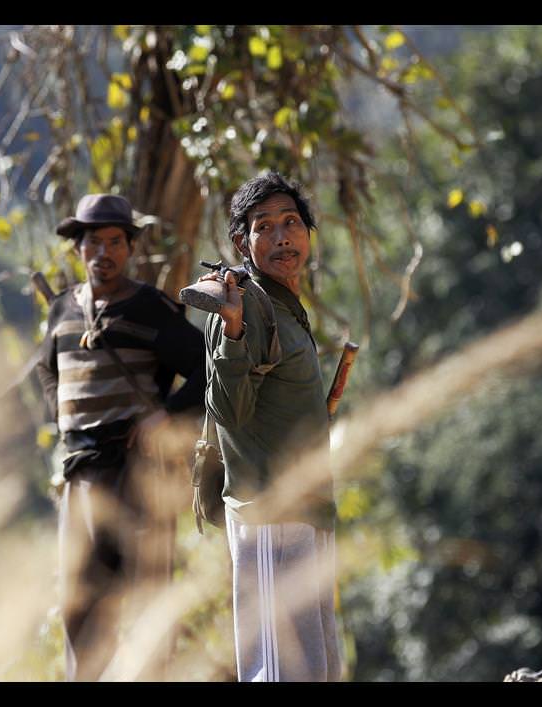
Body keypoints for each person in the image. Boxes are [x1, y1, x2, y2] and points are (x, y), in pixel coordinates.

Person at [35, 193, 205, 681]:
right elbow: (49, 371)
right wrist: (66, 417)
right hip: (79, 474)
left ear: (130, 248)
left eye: (115, 242)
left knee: (146, 600)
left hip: (138, 476)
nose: (104, 253)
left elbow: (205, 370)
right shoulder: (63, 309)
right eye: (94, 242)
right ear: (78, 249)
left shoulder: (151, 308)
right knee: (80, 603)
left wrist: (165, 415)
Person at [198, 172, 341, 682]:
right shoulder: (245, 305)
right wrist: (233, 331)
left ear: (308, 232)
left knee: (318, 667)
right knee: (280, 672)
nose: (283, 237)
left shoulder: (285, 305)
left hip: (307, 511)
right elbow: (227, 412)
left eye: (292, 223)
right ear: (242, 242)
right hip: (270, 516)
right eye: (265, 227)